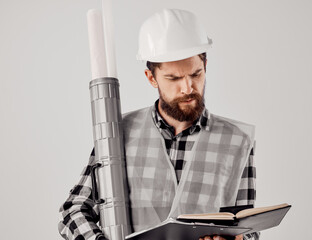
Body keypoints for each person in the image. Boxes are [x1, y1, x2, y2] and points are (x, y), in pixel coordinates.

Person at [58, 8, 259, 240]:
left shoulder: (238, 141)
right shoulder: (117, 134)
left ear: (206, 66)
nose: (188, 88)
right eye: (173, 78)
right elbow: (72, 210)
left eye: (196, 74)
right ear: (151, 77)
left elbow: (248, 227)